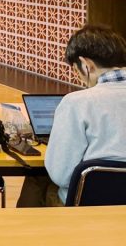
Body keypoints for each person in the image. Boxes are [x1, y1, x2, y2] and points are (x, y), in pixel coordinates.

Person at [17, 25, 126, 207]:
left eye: (77, 71)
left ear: (86, 64)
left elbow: (61, 173)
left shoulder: (77, 102)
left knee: (38, 178)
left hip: (88, 206)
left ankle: (22, 233)